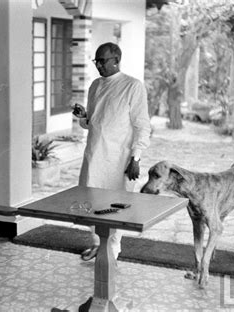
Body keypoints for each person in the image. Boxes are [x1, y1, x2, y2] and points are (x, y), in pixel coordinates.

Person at [72, 42, 151, 261]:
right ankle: (98, 244)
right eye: (96, 61)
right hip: (94, 156)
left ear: (116, 60)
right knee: (91, 200)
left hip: (119, 159)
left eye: (103, 61)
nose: (98, 65)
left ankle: (112, 250)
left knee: (115, 206)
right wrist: (83, 116)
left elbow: (142, 125)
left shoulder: (132, 86)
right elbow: (93, 123)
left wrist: (135, 158)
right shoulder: (95, 85)